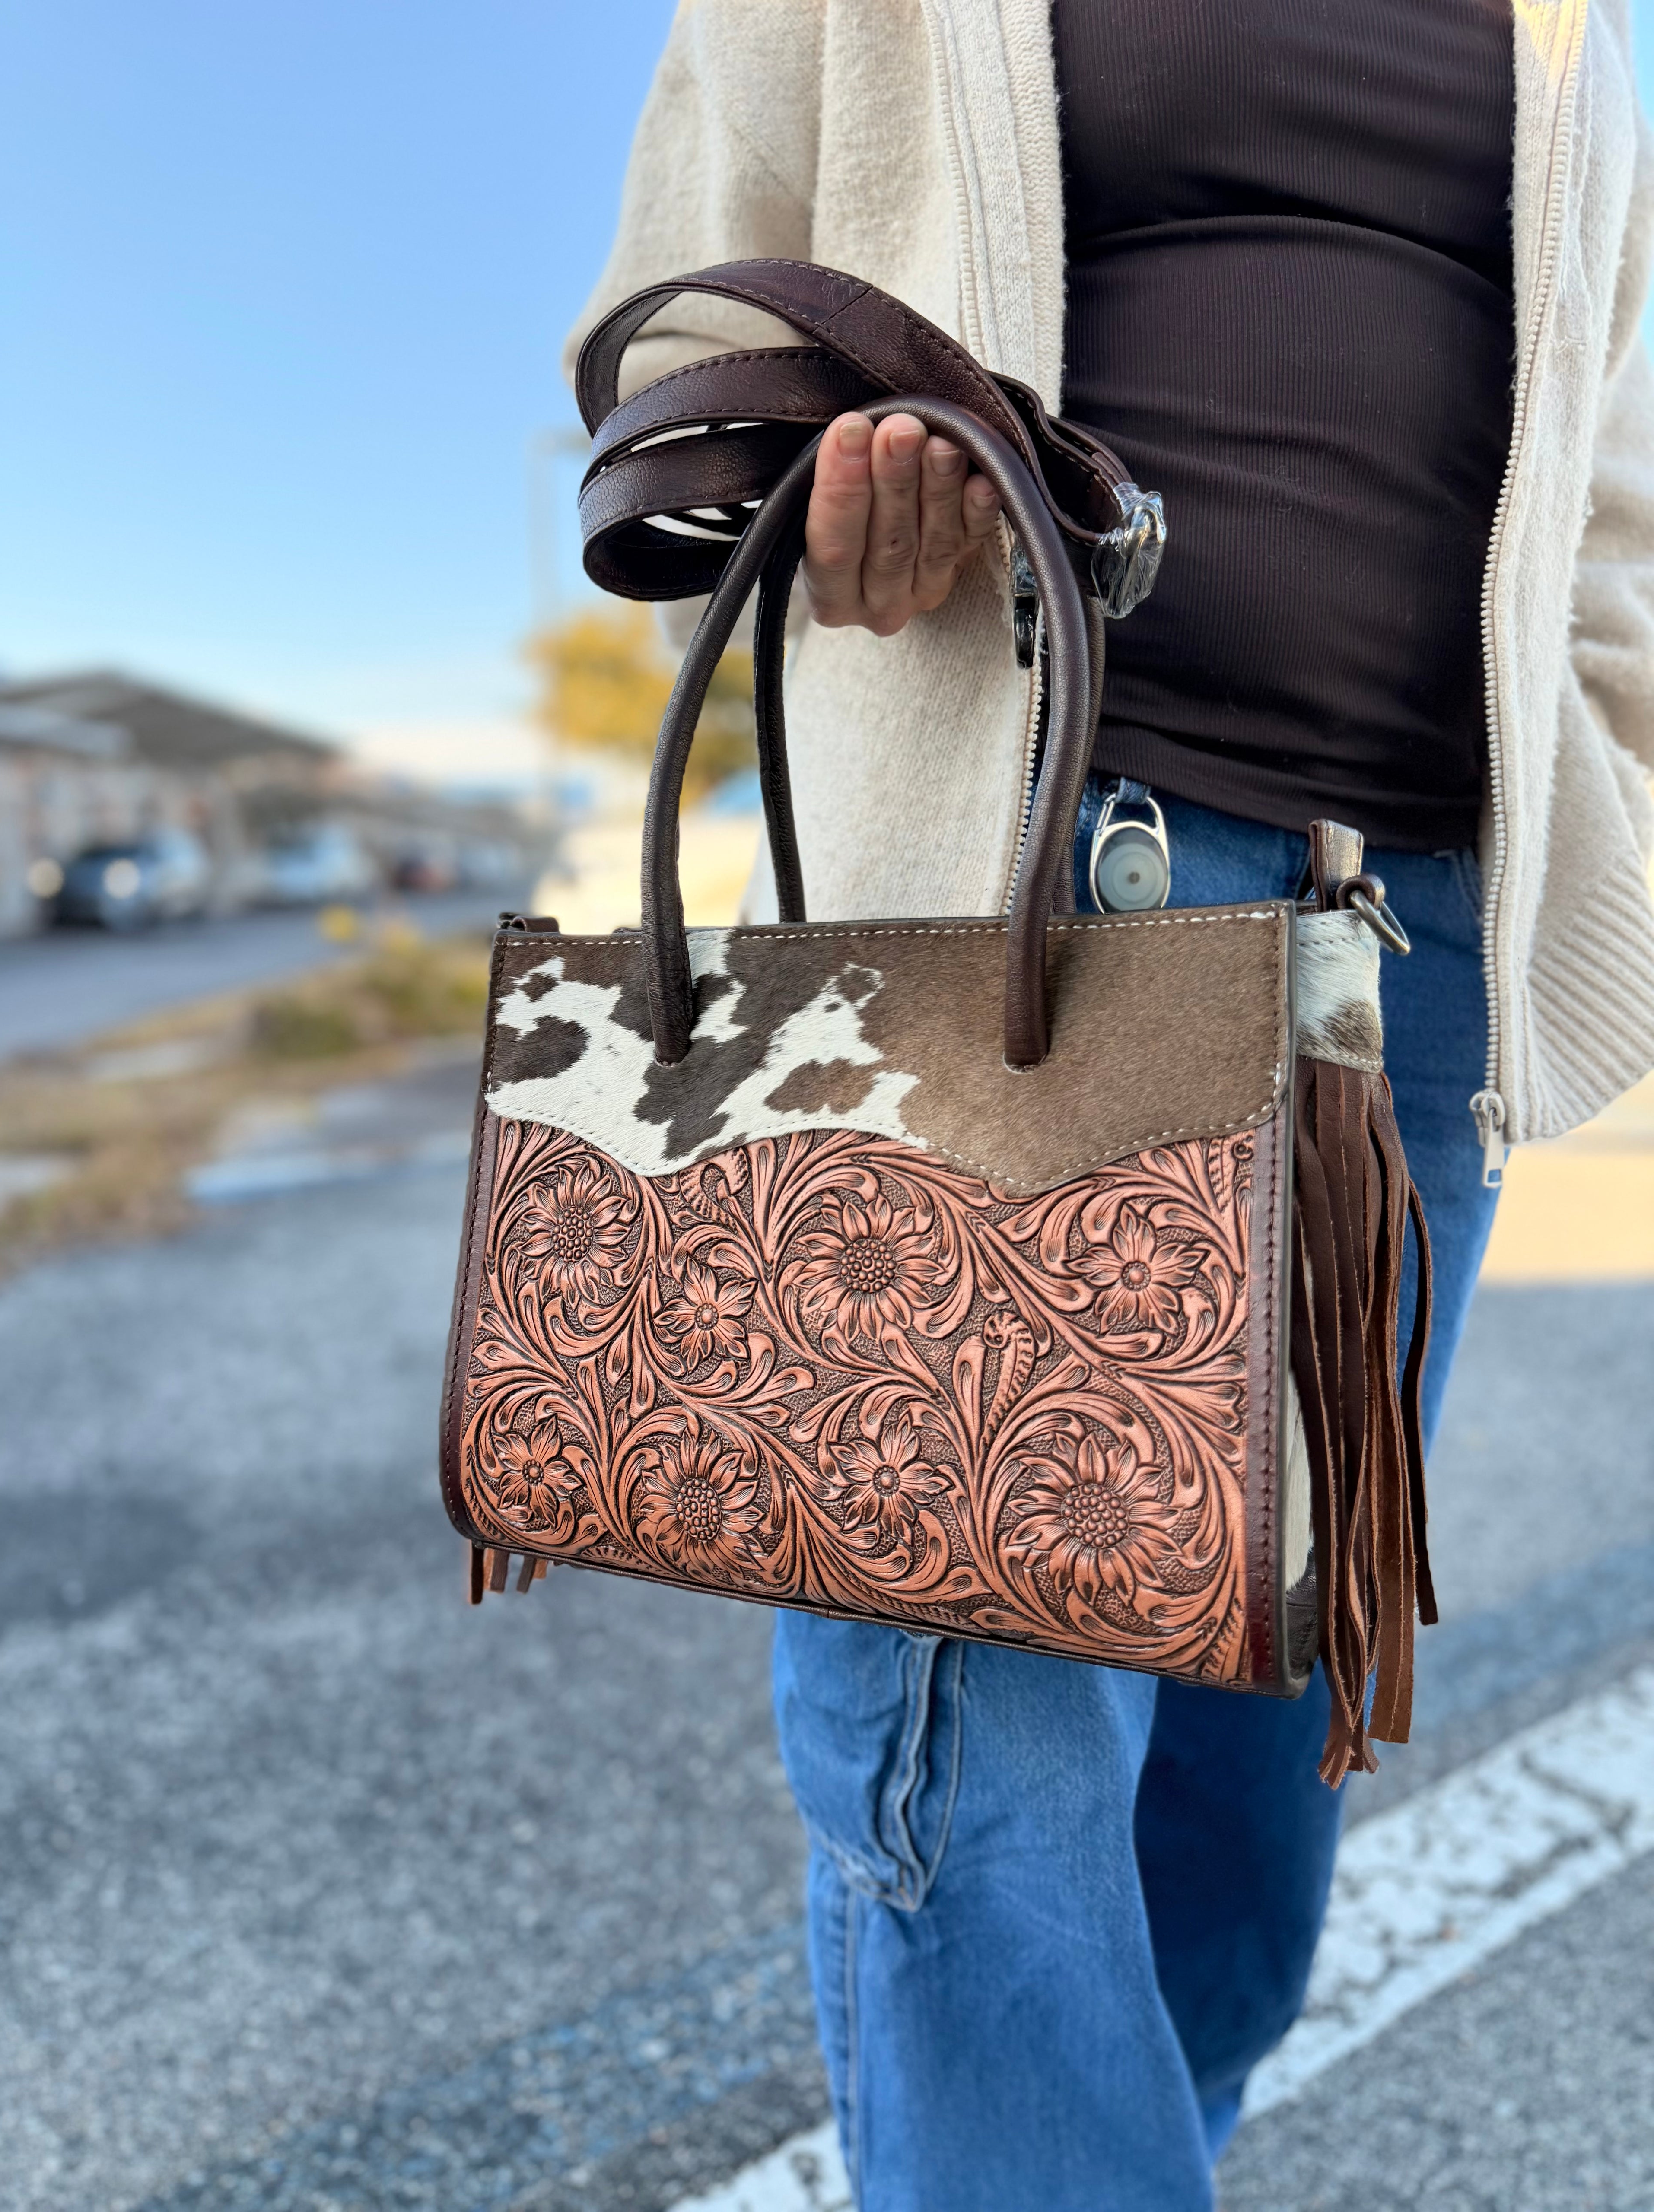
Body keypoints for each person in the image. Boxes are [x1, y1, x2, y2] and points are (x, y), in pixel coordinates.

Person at [569, 4, 1654, 2205]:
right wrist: (846, 450)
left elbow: (1608, 492)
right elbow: (687, 314)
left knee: (1255, 1782)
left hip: (1406, 970)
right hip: (1035, 904)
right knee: (995, 1781)